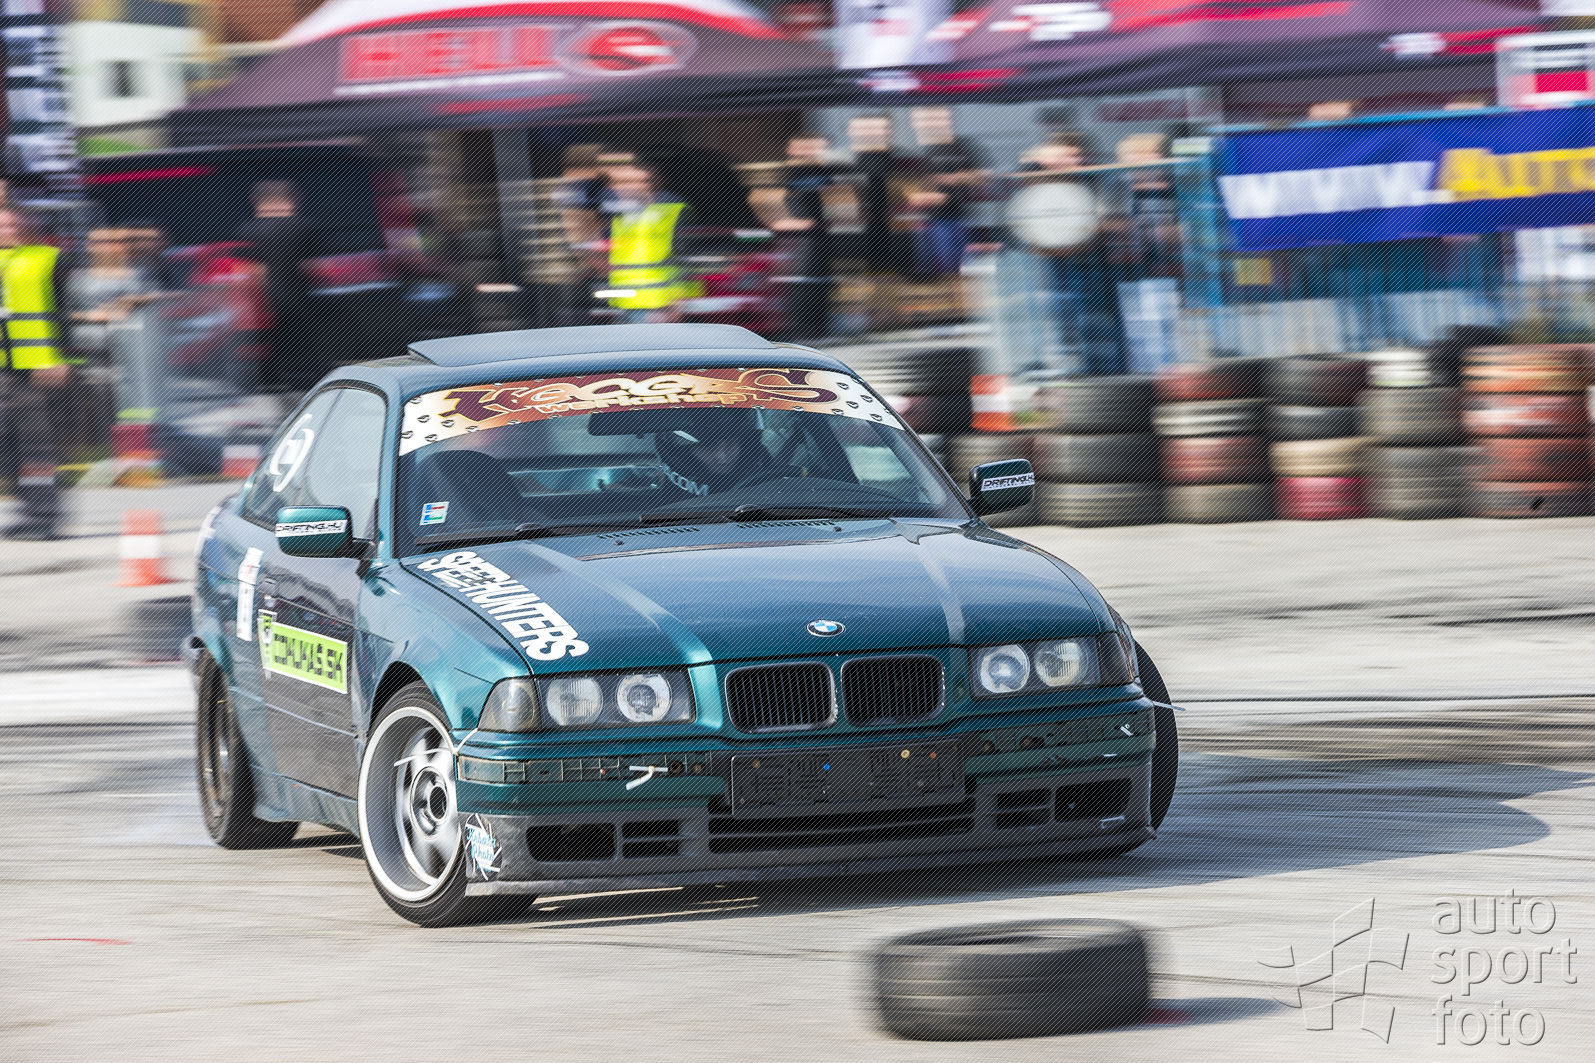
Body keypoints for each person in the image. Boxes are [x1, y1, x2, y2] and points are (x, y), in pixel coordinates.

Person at [0, 208, 70, 539]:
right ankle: (30, 509)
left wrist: (62, 357)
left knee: (34, 445)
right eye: (2, 225)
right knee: (9, 443)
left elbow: (65, 311)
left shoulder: (48, 259)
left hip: (36, 368)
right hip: (4, 369)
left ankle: (43, 516)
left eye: (13, 223)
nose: (8, 229)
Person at [236, 180, 322, 393]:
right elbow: (314, 267)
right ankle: (305, 378)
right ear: (294, 198)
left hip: (263, 298)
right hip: (301, 296)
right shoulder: (306, 227)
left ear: (255, 201)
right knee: (303, 340)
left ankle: (271, 377)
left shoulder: (247, 230)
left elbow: (250, 270)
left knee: (271, 341)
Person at [603, 158, 699, 323]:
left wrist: (680, 301)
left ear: (649, 182)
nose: (616, 189)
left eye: (627, 182)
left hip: (663, 306)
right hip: (625, 306)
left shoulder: (672, 209)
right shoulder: (620, 213)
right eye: (616, 183)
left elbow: (690, 258)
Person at [907, 107, 988, 282]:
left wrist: (949, 179)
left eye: (937, 118)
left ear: (950, 120)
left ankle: (958, 296)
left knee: (954, 270)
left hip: (954, 220)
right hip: (922, 222)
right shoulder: (918, 149)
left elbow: (983, 176)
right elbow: (907, 186)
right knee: (926, 275)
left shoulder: (962, 146)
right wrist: (917, 195)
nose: (931, 123)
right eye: (925, 119)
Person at [771, 134, 835, 342]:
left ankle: (812, 328)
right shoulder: (790, 175)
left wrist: (800, 224)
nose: (807, 152)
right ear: (791, 150)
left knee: (812, 283)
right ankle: (803, 327)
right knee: (800, 284)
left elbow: (833, 210)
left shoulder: (820, 175)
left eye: (812, 148)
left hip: (813, 242)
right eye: (802, 148)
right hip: (798, 242)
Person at [652, 410, 774, 496]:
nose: (723, 458)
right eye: (707, 446)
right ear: (682, 453)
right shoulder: (653, 512)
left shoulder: (773, 488)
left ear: (746, 445)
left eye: (731, 443)